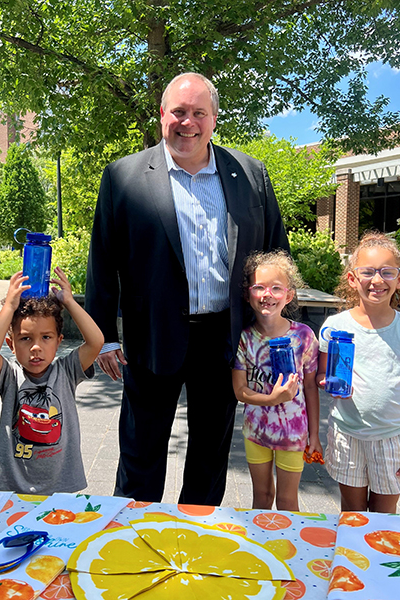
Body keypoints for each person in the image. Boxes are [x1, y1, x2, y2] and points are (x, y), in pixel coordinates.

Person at [85, 72, 289, 505]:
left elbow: (276, 253)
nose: (188, 122)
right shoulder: (123, 177)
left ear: (214, 119)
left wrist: (277, 329)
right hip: (152, 335)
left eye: (199, 113)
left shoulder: (251, 174)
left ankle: (197, 540)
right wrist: (103, 338)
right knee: (140, 453)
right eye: (178, 111)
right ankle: (131, 541)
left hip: (225, 336)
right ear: (163, 115)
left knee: (210, 456)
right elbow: (103, 261)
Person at [317, 232, 400, 513]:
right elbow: (322, 374)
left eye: (387, 272)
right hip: (347, 435)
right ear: (353, 279)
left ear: (399, 279)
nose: (377, 280)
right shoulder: (334, 326)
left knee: (384, 519)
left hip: (393, 438)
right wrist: (326, 382)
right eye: (367, 272)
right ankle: (350, 557)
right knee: (352, 515)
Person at [0, 267, 103, 495]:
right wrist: (9, 307)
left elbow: (96, 342)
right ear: (11, 345)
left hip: (61, 485)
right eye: (25, 339)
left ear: (59, 342)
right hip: (12, 487)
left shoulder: (66, 371)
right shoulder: (9, 375)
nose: (36, 347)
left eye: (46, 337)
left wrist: (70, 303)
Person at [232, 251, 321, 511]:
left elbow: (310, 388)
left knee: (286, 501)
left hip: (293, 434)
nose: (267, 294)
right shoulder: (245, 338)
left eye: (276, 288)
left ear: (289, 296)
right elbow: (240, 390)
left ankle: (288, 550)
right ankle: (260, 549)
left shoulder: (303, 336)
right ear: (249, 294)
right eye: (258, 287)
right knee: (261, 498)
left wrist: (314, 434)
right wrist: (273, 399)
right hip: (256, 432)